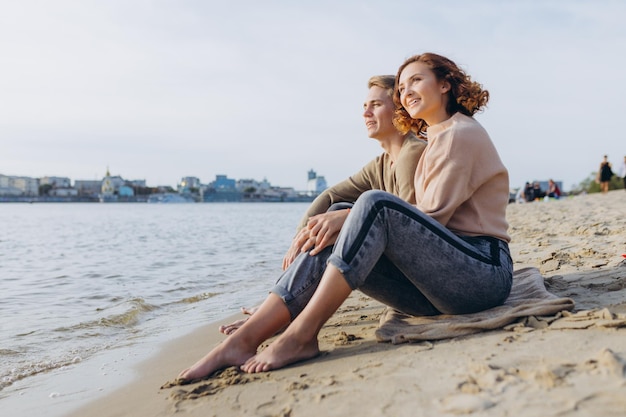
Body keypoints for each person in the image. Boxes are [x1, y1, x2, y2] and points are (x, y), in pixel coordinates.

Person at [178, 52, 512, 379]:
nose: (406, 90)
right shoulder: (436, 137)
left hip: (481, 275)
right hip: (440, 287)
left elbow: (431, 218)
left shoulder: (459, 133)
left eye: (416, 80)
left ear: (444, 84)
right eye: (401, 87)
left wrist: (352, 217)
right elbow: (340, 201)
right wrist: (338, 221)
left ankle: (299, 335)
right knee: (339, 213)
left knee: (370, 205)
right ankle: (246, 338)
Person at [217, 75, 427, 335]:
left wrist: (348, 220)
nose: (366, 113)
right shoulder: (382, 163)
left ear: (400, 111)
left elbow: (413, 227)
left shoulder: (413, 153)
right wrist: (298, 239)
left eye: (375, 105)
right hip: (410, 282)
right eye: (364, 106)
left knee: (338, 219)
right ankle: (280, 308)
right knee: (334, 214)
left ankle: (280, 313)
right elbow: (329, 196)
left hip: (425, 289)